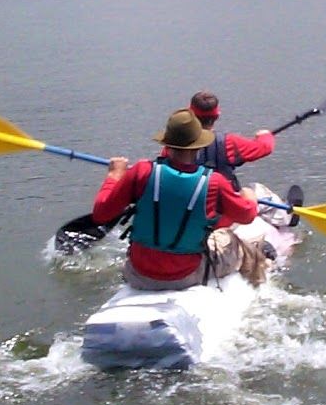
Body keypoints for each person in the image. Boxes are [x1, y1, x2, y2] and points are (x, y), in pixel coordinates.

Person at [93, 108, 269, 291]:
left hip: (138, 273)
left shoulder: (141, 171)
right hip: (187, 275)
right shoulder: (214, 182)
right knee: (235, 242)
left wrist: (114, 175)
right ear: (199, 147)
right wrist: (249, 197)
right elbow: (247, 216)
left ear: (166, 144)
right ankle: (259, 292)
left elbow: (101, 214)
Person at [188, 90, 274, 191]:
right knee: (250, 191)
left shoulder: (175, 143)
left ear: (190, 114)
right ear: (217, 116)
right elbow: (265, 147)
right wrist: (265, 136)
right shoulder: (228, 142)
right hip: (222, 200)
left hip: (186, 197)